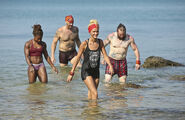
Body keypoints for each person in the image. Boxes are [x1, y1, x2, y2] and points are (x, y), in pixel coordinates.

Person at [67, 20, 114, 100]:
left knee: (91, 93)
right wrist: (71, 72)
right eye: (94, 31)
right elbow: (78, 57)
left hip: (96, 71)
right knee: (95, 93)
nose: (96, 33)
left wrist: (110, 66)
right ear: (89, 32)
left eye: (97, 31)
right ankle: (95, 112)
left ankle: (89, 110)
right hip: (86, 71)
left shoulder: (100, 42)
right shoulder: (85, 44)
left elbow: (105, 56)